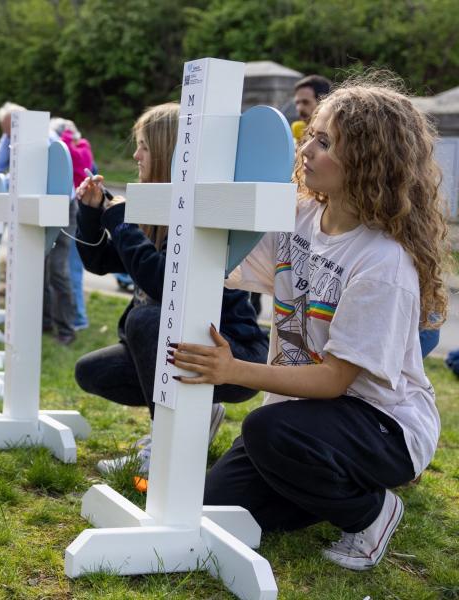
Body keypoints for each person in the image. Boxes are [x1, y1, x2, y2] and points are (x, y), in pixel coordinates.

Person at [169, 77, 448, 570]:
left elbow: (334, 380)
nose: (306, 148)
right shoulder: (296, 217)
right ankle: (332, 482)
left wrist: (232, 370)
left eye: (324, 142)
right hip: (304, 419)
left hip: (383, 424)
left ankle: (371, 511)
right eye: (310, 135)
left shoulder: (382, 263)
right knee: (218, 508)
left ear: (366, 160)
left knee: (268, 429)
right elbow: (223, 259)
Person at [73, 103, 269, 474]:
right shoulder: (156, 213)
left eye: (144, 146)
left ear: (167, 152)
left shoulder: (204, 218)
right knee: (92, 371)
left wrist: (120, 220)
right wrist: (91, 213)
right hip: (182, 346)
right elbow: (100, 262)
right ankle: (196, 415)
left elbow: (165, 283)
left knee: (146, 321)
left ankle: (169, 442)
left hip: (234, 350)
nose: (136, 155)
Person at [0, 101, 77, 344]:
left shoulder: (47, 138)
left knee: (57, 270)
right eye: (6, 132)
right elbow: (0, 165)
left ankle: (66, 330)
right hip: (33, 207)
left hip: (60, 206)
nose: (8, 137)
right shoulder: (10, 134)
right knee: (35, 266)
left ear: (23, 121)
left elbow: (53, 177)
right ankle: (43, 323)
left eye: (11, 131)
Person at [52, 117, 93, 331]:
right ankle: (80, 317)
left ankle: (77, 318)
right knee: (75, 270)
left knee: (69, 270)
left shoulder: (67, 150)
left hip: (73, 213)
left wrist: (62, 137)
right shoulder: (85, 147)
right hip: (84, 212)